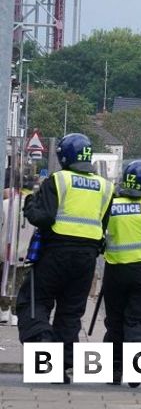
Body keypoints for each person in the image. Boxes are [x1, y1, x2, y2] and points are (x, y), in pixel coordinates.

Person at [16, 133, 115, 379]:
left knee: (33, 301)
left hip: (55, 253)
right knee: (71, 311)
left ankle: (42, 338)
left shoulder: (58, 180)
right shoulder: (105, 186)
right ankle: (62, 365)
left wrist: (30, 203)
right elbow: (104, 223)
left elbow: (44, 218)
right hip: (86, 258)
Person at [101, 160, 141, 387]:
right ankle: (139, 370)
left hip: (115, 270)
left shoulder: (112, 206)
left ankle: (113, 371)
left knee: (115, 322)